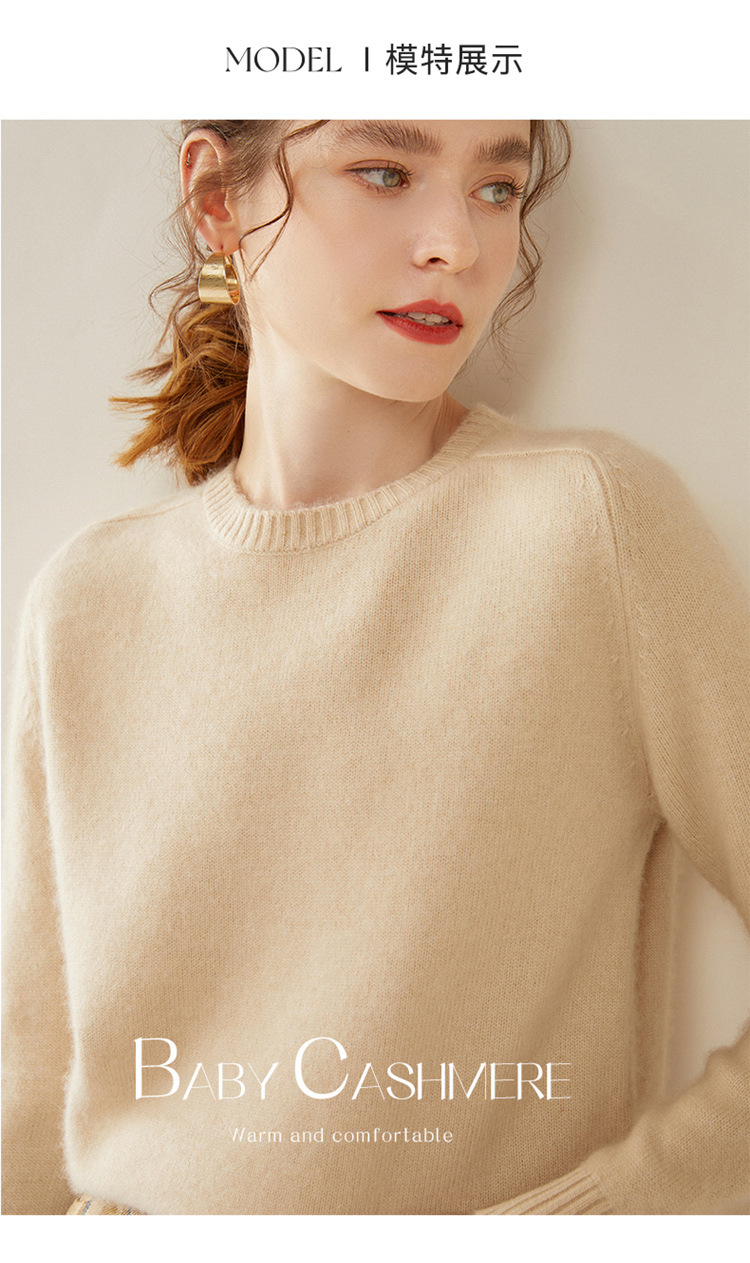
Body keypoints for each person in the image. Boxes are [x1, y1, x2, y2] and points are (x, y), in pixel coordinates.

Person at [2, 119, 748, 1217]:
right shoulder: (87, 601)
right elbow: (33, 1091)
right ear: (217, 199)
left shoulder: (593, 526)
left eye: (498, 188)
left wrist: (578, 1227)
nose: (457, 242)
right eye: (386, 173)